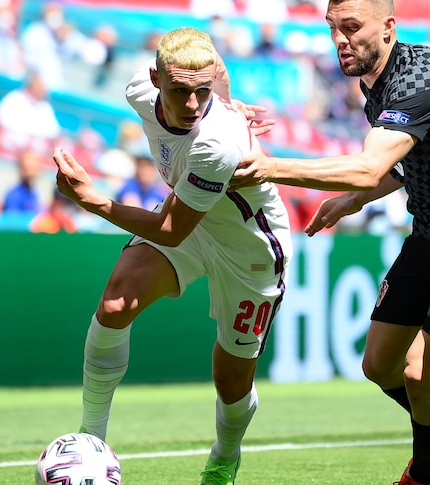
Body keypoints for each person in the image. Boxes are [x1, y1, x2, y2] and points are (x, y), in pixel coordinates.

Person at [231, 1, 430, 484]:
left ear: (388, 28)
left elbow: (369, 165)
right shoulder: (373, 85)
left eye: (352, 28)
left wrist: (271, 166)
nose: (340, 39)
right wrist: (354, 200)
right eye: (333, 28)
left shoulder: (421, 75)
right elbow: (405, 161)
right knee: (380, 365)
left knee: (421, 375)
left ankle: (423, 476)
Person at [50, 27, 290, 485]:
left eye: (203, 93)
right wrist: (222, 93)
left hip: (250, 247)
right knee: (115, 303)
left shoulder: (216, 142)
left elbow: (169, 230)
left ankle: (225, 456)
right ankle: (90, 444)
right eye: (181, 90)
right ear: (155, 78)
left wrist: (93, 201)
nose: (195, 104)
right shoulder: (138, 91)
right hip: (191, 221)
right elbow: (211, 65)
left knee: (231, 380)